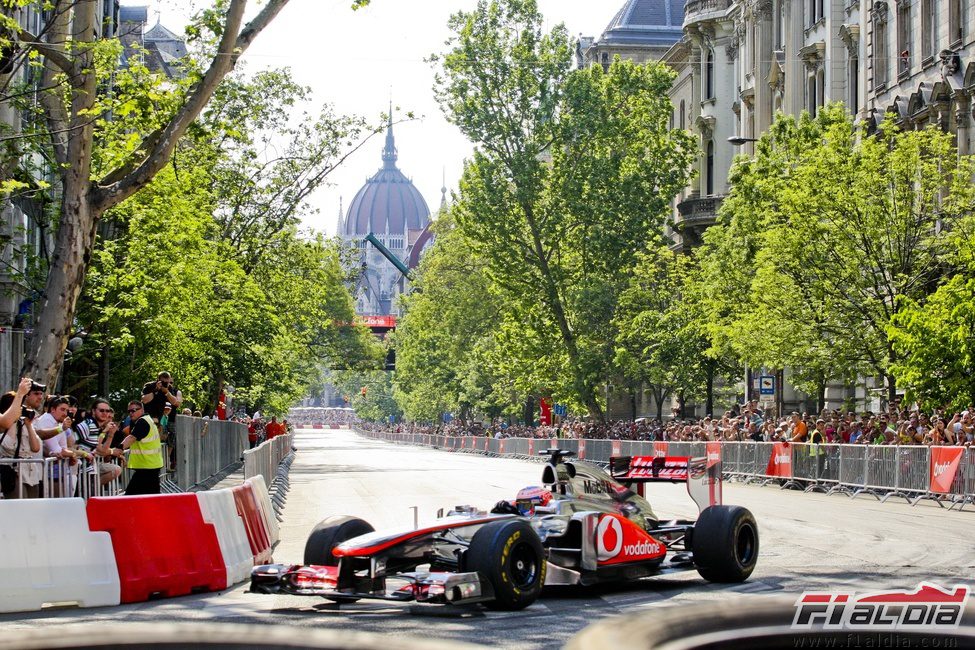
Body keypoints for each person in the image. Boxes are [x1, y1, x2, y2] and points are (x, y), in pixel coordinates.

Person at [0, 387, 43, 499]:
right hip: (13, 470)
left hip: (30, 470)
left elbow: (35, 447)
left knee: (33, 505)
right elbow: (9, 446)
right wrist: (13, 420)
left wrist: (29, 425)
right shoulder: (3, 424)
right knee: (18, 506)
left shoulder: (24, 422)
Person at [74, 398, 123, 493]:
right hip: (79, 471)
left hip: (88, 470)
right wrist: (84, 454)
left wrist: (111, 434)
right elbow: (70, 445)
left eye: (107, 411)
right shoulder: (87, 425)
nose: (105, 413)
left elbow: (101, 449)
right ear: (93, 411)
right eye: (101, 410)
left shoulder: (95, 427)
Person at [121, 400, 163, 495]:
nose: (131, 413)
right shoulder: (145, 420)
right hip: (149, 466)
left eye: (134, 410)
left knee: (129, 497)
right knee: (152, 497)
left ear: (142, 410)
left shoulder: (143, 422)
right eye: (129, 411)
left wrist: (118, 449)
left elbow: (131, 438)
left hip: (147, 467)